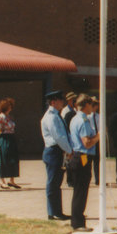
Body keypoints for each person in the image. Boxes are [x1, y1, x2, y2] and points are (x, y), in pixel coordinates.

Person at [68, 94, 99, 232]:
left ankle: (77, 219)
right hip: (83, 157)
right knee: (81, 190)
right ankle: (78, 222)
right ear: (86, 105)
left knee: (79, 190)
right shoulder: (83, 120)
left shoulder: (76, 119)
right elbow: (86, 143)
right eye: (91, 104)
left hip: (78, 156)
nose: (92, 107)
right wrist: (98, 136)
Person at [40, 90, 72, 221]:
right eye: (60, 100)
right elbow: (59, 137)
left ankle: (56, 211)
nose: (62, 103)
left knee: (56, 183)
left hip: (58, 151)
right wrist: (69, 150)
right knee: (53, 183)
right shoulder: (51, 117)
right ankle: (53, 212)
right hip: (53, 151)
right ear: (53, 102)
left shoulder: (56, 115)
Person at [0, 97, 20, 189]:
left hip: (11, 138)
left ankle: (12, 180)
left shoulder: (9, 116)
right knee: (4, 159)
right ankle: (2, 181)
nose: (10, 107)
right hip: (4, 138)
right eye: (9, 106)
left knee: (13, 158)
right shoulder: (1, 117)